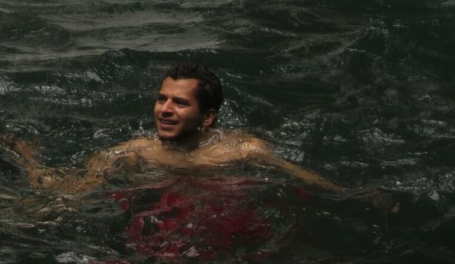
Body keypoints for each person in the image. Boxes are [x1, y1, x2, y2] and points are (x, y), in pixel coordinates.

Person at [83, 60, 333, 187]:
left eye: (180, 103)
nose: (165, 110)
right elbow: (84, 181)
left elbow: (299, 177)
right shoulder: (138, 150)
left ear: (208, 117)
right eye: (161, 99)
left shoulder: (240, 150)